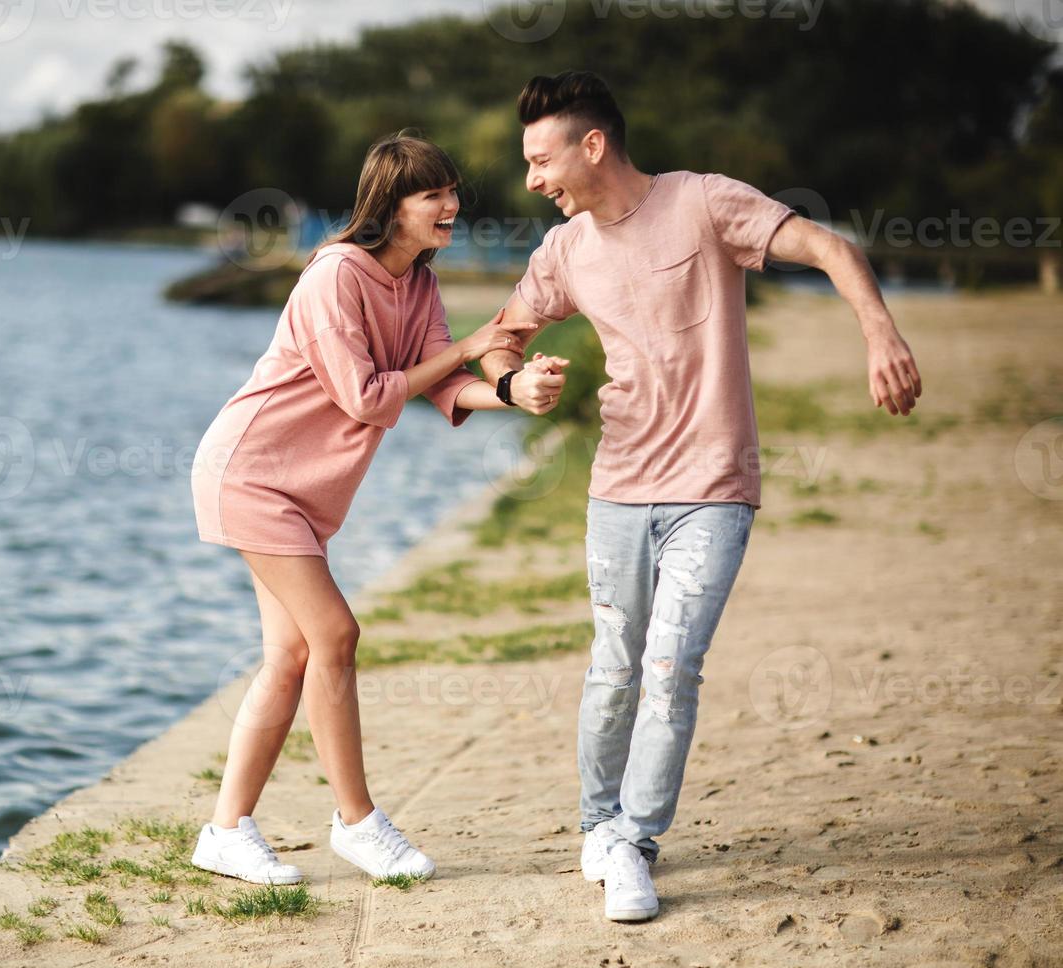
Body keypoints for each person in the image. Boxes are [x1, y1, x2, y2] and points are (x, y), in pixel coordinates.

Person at [477, 71, 923, 922]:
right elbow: (500, 340)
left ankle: (634, 845)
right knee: (613, 666)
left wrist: (881, 334)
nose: (533, 180)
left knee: (671, 667)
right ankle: (596, 825)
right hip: (616, 489)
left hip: (714, 489)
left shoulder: (703, 203)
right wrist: (514, 384)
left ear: (593, 145)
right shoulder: (565, 251)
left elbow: (833, 247)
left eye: (542, 160)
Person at [189, 133, 553, 885]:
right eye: (435, 195)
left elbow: (443, 385)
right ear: (391, 206)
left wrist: (513, 391)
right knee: (336, 634)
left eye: (453, 191)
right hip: (252, 473)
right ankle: (358, 823)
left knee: (290, 657)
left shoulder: (418, 283)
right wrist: (467, 350)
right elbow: (367, 396)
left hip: (305, 491)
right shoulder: (335, 277)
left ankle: (224, 831)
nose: (452, 206)